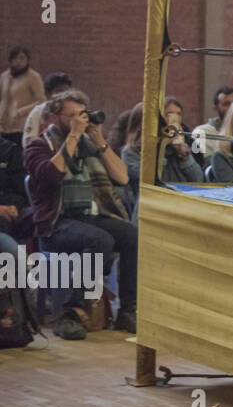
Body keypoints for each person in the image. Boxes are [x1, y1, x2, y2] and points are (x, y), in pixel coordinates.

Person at [23, 89, 138, 337]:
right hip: (55, 223)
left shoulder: (89, 146)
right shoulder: (38, 146)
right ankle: (69, 313)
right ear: (54, 117)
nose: (79, 119)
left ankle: (127, 311)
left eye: (82, 114)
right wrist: (74, 135)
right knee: (100, 240)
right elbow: (52, 174)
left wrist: (99, 141)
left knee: (131, 234)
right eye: (72, 115)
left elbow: (122, 177)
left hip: (89, 217)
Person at [156, 95, 205, 185]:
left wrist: (185, 157)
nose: (175, 118)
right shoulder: (153, 141)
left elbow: (199, 179)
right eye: (169, 114)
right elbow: (155, 178)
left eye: (178, 114)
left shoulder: (189, 140)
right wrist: (164, 147)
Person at [1, 46, 43, 146]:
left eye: (22, 58)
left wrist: (21, 111)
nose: (18, 61)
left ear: (27, 60)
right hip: (4, 125)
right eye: (15, 58)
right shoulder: (4, 76)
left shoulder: (33, 77)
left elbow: (41, 100)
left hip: (21, 125)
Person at [21, 71, 72, 147]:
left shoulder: (72, 110)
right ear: (48, 93)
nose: (64, 95)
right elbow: (29, 142)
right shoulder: (38, 112)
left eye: (67, 91)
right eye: (59, 91)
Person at [191, 85, 233, 160]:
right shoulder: (201, 132)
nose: (232, 108)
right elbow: (200, 162)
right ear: (215, 108)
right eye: (226, 104)